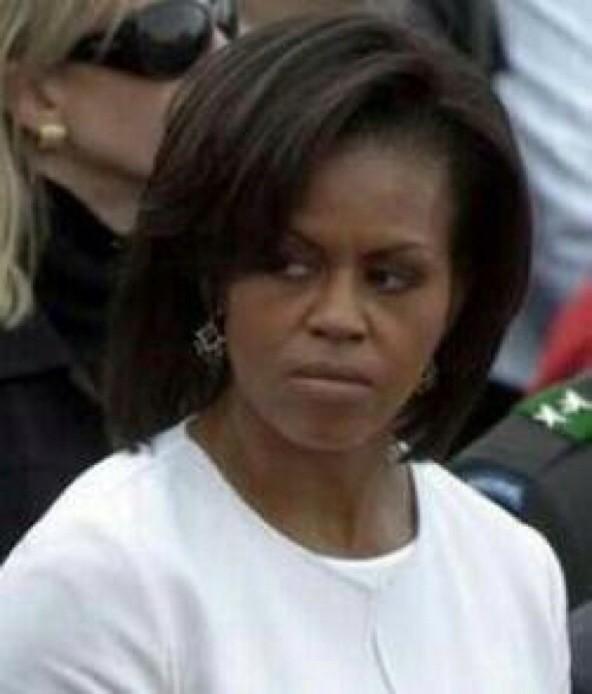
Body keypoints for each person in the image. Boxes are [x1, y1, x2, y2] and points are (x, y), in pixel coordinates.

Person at [0, 12, 569, 692]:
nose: (338, 318)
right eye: (289, 266)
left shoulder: (513, 569)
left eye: (390, 278)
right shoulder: (100, 575)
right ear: (215, 277)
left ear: (458, 298)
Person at [0, 0, 235, 558]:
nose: (224, 54)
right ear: (37, 95)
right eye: (174, 32)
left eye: (223, 12)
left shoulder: (251, 293)